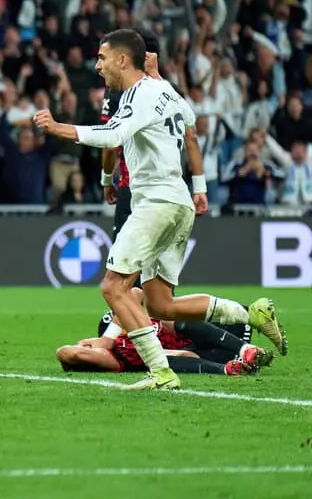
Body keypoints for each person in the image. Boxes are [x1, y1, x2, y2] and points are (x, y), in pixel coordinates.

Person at [34, 29, 286, 391]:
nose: (97, 65)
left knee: (113, 287)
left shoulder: (140, 95)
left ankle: (161, 372)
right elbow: (189, 120)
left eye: (102, 58)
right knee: (161, 304)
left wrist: (58, 127)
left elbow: (111, 138)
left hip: (156, 203)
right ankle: (251, 314)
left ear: (123, 59)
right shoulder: (163, 91)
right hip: (177, 201)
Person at [101, 31, 209, 241]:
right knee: (159, 266)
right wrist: (199, 188)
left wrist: (106, 180)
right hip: (171, 190)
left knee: (122, 269)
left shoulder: (119, 91)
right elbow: (191, 140)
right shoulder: (172, 91)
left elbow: (110, 140)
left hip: (135, 187)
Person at [56, 289, 272, 376]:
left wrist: (105, 338)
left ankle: (245, 349)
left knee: (173, 320)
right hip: (201, 354)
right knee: (163, 360)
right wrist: (96, 344)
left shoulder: (143, 319)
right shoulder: (121, 353)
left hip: (211, 332)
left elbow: (135, 292)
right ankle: (228, 368)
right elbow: (65, 353)